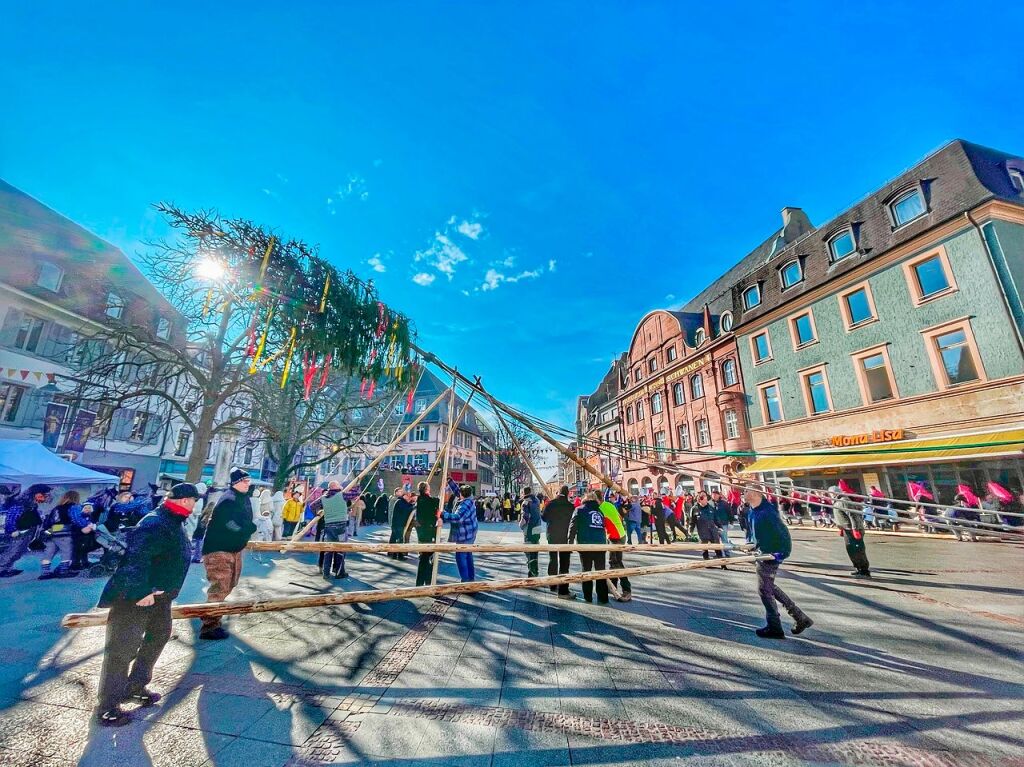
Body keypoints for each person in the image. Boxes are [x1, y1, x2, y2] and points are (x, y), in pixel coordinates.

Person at [94, 482, 197, 726]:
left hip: (159, 597)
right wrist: (142, 591)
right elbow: (136, 559)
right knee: (122, 649)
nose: (195, 505)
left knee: (158, 637)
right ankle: (108, 705)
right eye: (194, 500)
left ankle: (136, 685)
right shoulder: (155, 522)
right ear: (185, 500)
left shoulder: (172, 521)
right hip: (136, 597)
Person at [744, 485, 812, 639]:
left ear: (755, 493)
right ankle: (800, 617)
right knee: (769, 587)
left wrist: (782, 553)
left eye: (746, 491)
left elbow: (783, 533)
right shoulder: (752, 511)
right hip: (762, 553)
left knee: (764, 590)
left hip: (772, 554)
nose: (743, 493)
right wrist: (750, 544)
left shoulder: (768, 512)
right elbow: (753, 533)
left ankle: (775, 627)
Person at [199, 468, 257, 640]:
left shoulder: (242, 498)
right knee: (220, 586)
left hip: (233, 548)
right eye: (245, 481)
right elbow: (230, 524)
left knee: (229, 584)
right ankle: (209, 625)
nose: (248, 484)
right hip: (220, 549)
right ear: (236, 482)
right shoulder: (229, 500)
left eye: (248, 481)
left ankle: (210, 614)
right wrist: (247, 529)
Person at [0, 484, 52, 577]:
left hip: (27, 531)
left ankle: (7, 568)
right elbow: (12, 517)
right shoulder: (21, 504)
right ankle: (2, 568)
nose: (46, 497)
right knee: (13, 550)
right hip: (18, 531)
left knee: (19, 551)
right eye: (45, 494)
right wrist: (12, 530)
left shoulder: (31, 504)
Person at [568, 491, 609, 604]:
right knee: (600, 571)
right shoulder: (600, 511)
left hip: (585, 544)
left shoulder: (579, 510)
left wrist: (569, 542)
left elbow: (573, 526)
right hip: (600, 544)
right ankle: (603, 597)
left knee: (586, 570)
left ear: (584, 499)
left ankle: (588, 596)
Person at [543, 485, 576, 599]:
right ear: (567, 494)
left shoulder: (550, 504)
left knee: (552, 559)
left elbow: (543, 517)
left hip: (552, 535)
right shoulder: (570, 506)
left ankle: (552, 584)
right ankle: (563, 590)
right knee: (564, 563)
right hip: (565, 537)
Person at [831, 485, 871, 578]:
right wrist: (841, 528)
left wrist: (855, 529)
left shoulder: (844, 501)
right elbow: (841, 517)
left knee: (857, 550)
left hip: (852, 530)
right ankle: (858, 568)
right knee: (851, 550)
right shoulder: (837, 502)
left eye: (831, 493)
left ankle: (864, 570)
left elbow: (853, 515)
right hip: (846, 529)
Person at [599, 492, 631, 602]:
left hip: (615, 536)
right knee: (614, 562)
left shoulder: (601, 508)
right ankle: (613, 585)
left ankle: (627, 589)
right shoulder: (609, 504)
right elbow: (618, 517)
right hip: (620, 534)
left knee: (616, 563)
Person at [443, 485, 478, 582]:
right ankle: (470, 578)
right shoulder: (470, 499)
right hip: (470, 531)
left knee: (461, 556)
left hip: (465, 534)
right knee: (468, 555)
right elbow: (458, 491)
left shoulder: (464, 505)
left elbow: (457, 518)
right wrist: (450, 481)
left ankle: (466, 580)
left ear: (462, 495)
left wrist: (442, 514)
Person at [320, 481, 350, 579]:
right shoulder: (342, 495)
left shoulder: (323, 497)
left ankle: (326, 573)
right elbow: (356, 492)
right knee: (340, 549)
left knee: (328, 550)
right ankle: (339, 572)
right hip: (341, 525)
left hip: (329, 525)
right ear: (335, 486)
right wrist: (342, 488)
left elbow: (312, 505)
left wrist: (318, 512)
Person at [415, 482, 440, 586]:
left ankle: (425, 580)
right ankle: (423, 582)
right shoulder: (427, 500)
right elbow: (435, 504)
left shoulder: (420, 499)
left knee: (425, 557)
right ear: (426, 489)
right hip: (427, 531)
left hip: (422, 531)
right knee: (425, 557)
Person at [693, 492, 726, 567]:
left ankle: (722, 564)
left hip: (712, 530)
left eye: (706, 500)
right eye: (704, 500)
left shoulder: (710, 507)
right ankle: (707, 563)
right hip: (702, 531)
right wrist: (690, 530)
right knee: (704, 548)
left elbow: (716, 518)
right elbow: (692, 521)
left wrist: (720, 526)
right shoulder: (695, 509)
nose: (706, 501)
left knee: (717, 547)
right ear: (700, 501)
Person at [519, 487, 542, 577]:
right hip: (537, 526)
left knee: (528, 549)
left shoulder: (525, 502)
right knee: (535, 548)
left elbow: (525, 517)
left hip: (529, 528)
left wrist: (520, 525)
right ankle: (534, 569)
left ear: (524, 493)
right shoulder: (536, 500)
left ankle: (532, 570)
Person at [389, 488, 415, 560]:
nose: (409, 498)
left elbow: (407, 507)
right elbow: (406, 510)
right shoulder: (400, 502)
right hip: (398, 524)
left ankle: (393, 553)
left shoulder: (402, 502)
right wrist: (413, 506)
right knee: (399, 539)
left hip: (397, 523)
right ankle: (399, 555)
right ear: (404, 496)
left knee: (394, 538)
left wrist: (411, 505)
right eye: (407, 497)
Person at [711, 488, 732, 556]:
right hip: (714, 525)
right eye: (713, 494)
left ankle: (727, 553)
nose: (714, 496)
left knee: (724, 539)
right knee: (716, 541)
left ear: (718, 495)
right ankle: (718, 554)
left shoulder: (724, 503)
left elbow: (729, 513)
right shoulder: (710, 504)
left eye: (715, 494)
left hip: (723, 524)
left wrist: (731, 522)